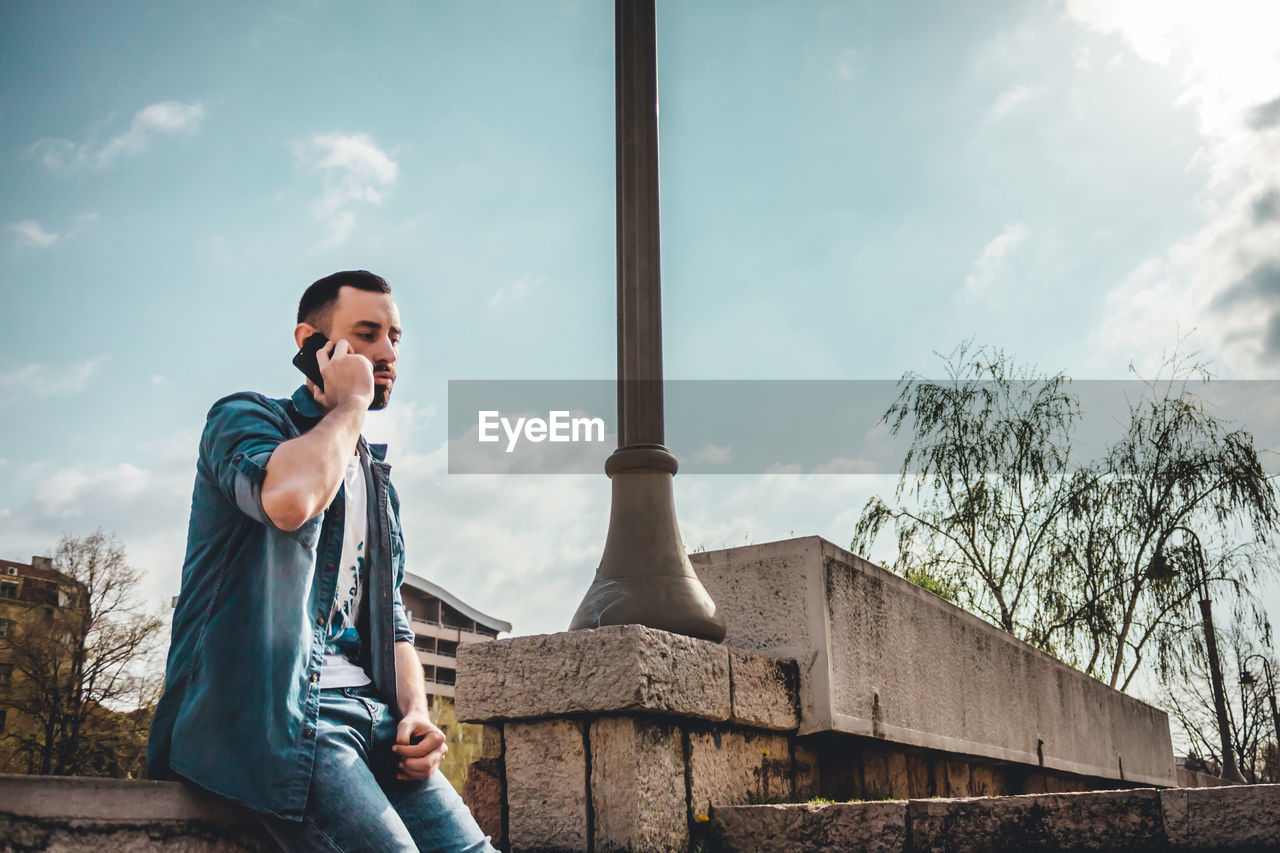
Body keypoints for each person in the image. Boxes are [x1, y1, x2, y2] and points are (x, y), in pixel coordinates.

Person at [148, 270, 495, 853]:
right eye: (367, 333)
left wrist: (415, 714)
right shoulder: (244, 419)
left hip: (375, 720)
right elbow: (289, 502)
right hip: (277, 721)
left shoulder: (375, 482)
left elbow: (393, 620)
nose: (387, 353)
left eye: (396, 337)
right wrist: (353, 401)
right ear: (311, 343)